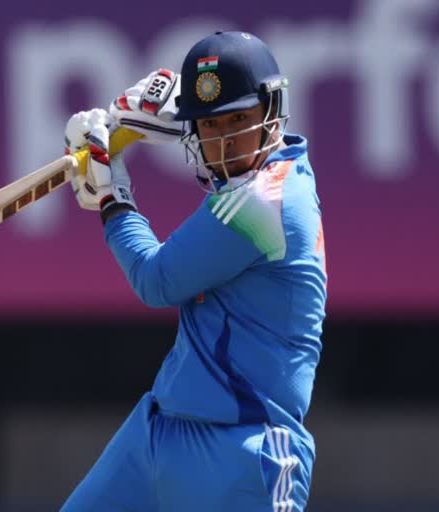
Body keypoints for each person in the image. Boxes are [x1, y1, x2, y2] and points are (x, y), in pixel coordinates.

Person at [62, 31, 327, 511]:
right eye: (209, 124)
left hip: (245, 452)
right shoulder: (252, 185)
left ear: (272, 110)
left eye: (238, 119)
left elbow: (156, 279)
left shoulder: (266, 202)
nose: (223, 140)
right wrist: (137, 122)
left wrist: (113, 197)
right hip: (157, 432)